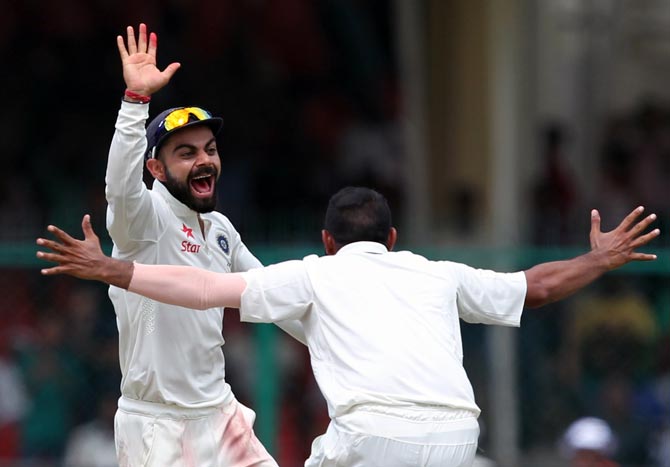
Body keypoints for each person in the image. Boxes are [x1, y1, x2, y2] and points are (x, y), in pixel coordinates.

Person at [36, 187, 660, 467]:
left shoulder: (314, 274)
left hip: (370, 437)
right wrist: (598, 259)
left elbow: (202, 289)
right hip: (457, 439)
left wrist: (114, 268)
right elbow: (539, 286)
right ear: (393, 239)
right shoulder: (435, 272)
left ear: (328, 241)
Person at [98, 23, 304, 466]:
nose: (205, 160)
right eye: (186, 153)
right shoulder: (143, 222)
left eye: (209, 149)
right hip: (156, 425)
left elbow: (271, 292)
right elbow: (119, 187)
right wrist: (135, 102)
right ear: (155, 168)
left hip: (218, 412)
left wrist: (338, 337)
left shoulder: (222, 229)